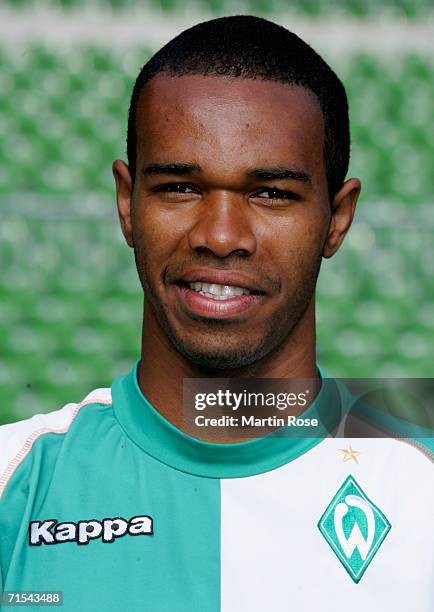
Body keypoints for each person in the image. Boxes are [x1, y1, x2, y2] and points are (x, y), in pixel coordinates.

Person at [0, 15, 432, 612]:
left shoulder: (422, 483)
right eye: (180, 187)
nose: (222, 235)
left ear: (337, 217)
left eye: (272, 193)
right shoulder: (11, 484)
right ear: (127, 204)